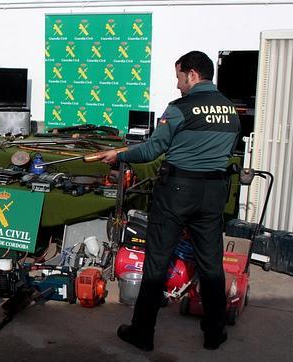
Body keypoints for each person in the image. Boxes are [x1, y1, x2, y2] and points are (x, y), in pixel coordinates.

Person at [96, 51, 240, 351]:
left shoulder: (179, 108)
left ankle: (142, 333)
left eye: (178, 77)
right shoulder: (231, 110)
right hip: (213, 193)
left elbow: (151, 150)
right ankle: (214, 333)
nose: (177, 85)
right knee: (212, 264)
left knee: (157, 262)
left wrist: (119, 154)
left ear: (191, 74)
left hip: (177, 190)